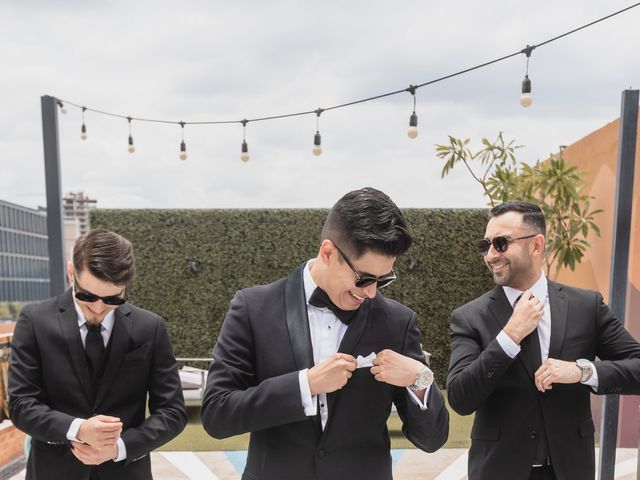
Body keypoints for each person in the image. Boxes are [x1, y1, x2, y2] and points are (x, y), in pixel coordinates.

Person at [201, 187, 449, 480]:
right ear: (328, 252)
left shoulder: (398, 321)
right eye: (364, 279)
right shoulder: (253, 308)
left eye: (383, 280)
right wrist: (306, 384)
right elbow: (217, 414)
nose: (371, 293)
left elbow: (431, 440)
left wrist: (419, 378)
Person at [447, 200, 640, 480]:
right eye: (485, 245)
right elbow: (460, 398)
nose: (490, 255)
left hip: (570, 471)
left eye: (500, 244)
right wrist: (509, 336)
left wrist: (582, 371)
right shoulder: (469, 317)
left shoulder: (586, 306)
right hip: (499, 472)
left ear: (536, 245)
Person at [9, 228, 187, 480]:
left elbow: (173, 412)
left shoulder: (150, 327)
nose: (98, 307)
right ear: (72, 272)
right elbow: (20, 404)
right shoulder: (34, 320)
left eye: (113, 299)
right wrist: (78, 429)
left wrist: (119, 448)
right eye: (87, 295)